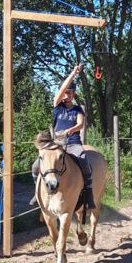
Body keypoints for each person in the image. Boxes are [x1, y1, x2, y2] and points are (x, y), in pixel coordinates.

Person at [30, 64, 96, 209]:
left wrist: (70, 130)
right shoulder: (57, 106)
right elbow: (60, 90)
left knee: (84, 162)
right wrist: (74, 73)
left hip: (73, 143)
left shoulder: (78, 109)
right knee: (35, 166)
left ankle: (89, 194)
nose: (67, 95)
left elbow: (80, 124)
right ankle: (38, 192)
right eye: (65, 93)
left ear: (73, 94)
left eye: (70, 93)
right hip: (56, 145)